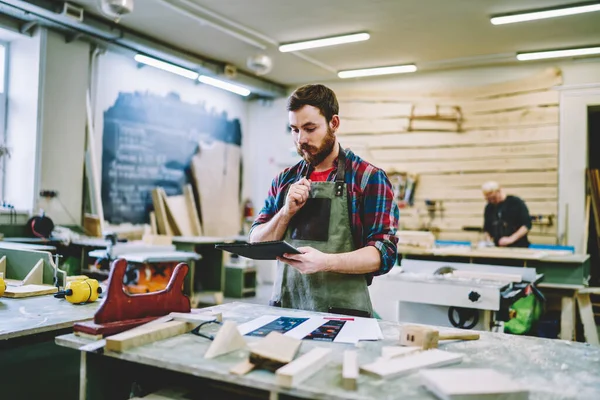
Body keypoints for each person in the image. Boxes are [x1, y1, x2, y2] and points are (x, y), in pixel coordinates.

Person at [249, 84, 399, 317]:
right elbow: (256, 242)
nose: (301, 140)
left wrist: (326, 262)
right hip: (286, 310)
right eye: (294, 129)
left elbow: (383, 253)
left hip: (344, 314)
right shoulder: (284, 180)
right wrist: (286, 212)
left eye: (310, 128)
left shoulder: (367, 178)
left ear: (334, 123)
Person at [482, 181, 531, 248]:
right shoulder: (489, 207)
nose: (492, 201)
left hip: (518, 247)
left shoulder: (516, 203)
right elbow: (487, 229)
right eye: (489, 199)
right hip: (498, 248)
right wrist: (488, 241)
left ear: (498, 191)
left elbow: (526, 225)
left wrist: (511, 239)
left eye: (494, 198)